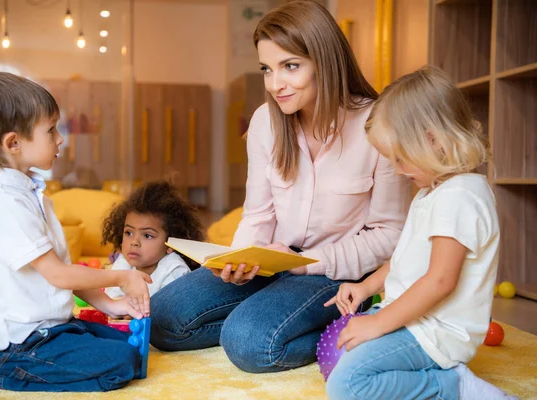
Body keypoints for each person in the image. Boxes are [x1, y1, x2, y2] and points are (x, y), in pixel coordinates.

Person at [150, 0, 409, 373]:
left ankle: (348, 319)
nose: (275, 85)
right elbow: (258, 213)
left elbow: (389, 233)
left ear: (325, 59)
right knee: (162, 318)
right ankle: (266, 315)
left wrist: (309, 265)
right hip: (272, 262)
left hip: (336, 272)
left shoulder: (377, 124)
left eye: (290, 66)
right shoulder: (265, 123)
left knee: (250, 344)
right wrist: (238, 259)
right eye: (267, 69)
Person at [324, 66, 517, 400]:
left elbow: (440, 280)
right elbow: (404, 261)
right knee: (344, 355)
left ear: (433, 140)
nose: (397, 170)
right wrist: (366, 287)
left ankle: (453, 386)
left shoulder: (460, 196)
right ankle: (435, 374)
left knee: (347, 385)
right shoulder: (434, 191)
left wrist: (378, 323)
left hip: (436, 333)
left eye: (401, 158)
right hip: (415, 320)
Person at [0, 70, 151, 392]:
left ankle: (52, 352)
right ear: (13, 143)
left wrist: (109, 305)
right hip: (19, 343)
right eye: (51, 130)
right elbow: (60, 275)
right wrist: (121, 277)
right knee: (121, 362)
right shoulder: (3, 204)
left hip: (50, 327)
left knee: (123, 341)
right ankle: (2, 373)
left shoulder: (30, 194)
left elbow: (63, 272)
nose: (60, 138)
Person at [103, 180, 204, 299]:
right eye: (129, 233)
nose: (134, 242)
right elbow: (111, 299)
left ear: (170, 244)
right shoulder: (124, 262)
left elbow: (168, 311)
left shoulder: (174, 270)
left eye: (147, 235)